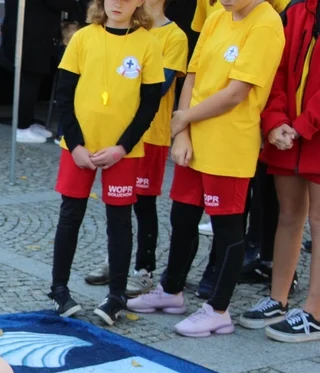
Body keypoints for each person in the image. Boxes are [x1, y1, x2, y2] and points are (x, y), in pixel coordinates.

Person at [126, 0, 285, 337]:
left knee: (227, 227)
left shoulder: (266, 24)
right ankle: (171, 291)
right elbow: (192, 76)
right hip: (194, 139)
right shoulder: (216, 17)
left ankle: (218, 309)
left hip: (229, 144)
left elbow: (236, 93)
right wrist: (181, 130)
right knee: (182, 216)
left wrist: (184, 119)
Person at [47, 0, 164, 325]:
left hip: (122, 152)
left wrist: (122, 147)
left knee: (120, 221)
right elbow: (64, 96)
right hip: (78, 147)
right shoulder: (84, 38)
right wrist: (76, 145)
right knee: (70, 215)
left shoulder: (148, 43)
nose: (119, 3)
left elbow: (149, 104)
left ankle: (116, 297)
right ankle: (58, 289)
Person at [84, 0, 188, 297]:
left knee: (143, 202)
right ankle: (114, 261)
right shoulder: (120, 28)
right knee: (116, 202)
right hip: (116, 132)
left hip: (151, 134)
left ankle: (143, 269)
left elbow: (159, 86)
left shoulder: (174, 36)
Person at [237, 0, 320, 342]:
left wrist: (301, 125)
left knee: (319, 220)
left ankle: (315, 312)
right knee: (289, 216)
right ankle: (278, 299)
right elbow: (278, 71)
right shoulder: (297, 10)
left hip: (308, 132)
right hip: (289, 135)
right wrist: (275, 121)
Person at [0, 0, 82, 143]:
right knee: (29, 80)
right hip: (30, 35)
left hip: (29, 32)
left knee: (32, 80)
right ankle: (22, 127)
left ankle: (28, 123)